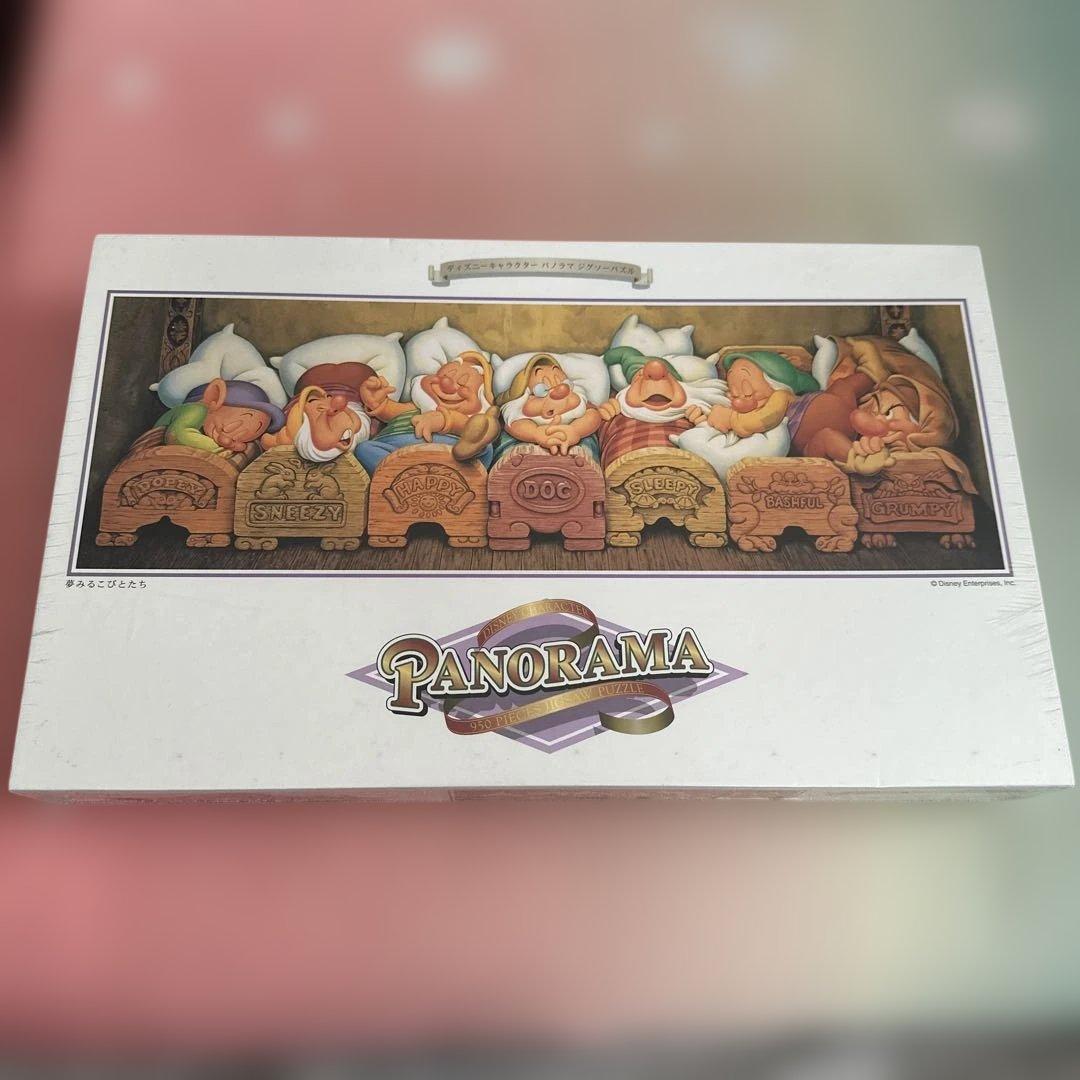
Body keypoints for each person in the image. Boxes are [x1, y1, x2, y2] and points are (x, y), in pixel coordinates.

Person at [153, 377, 284, 454]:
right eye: (238, 421)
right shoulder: (196, 409)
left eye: (257, 429)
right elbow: (177, 435)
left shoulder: (207, 429)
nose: (239, 433)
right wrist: (221, 448)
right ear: (214, 398)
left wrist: (234, 445)